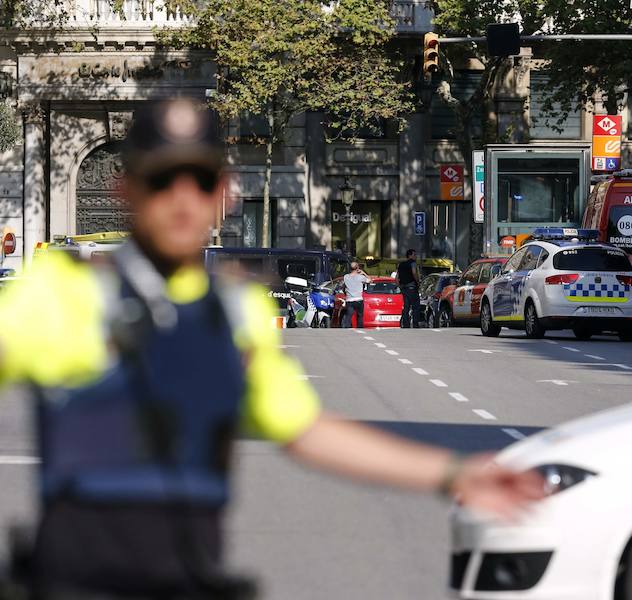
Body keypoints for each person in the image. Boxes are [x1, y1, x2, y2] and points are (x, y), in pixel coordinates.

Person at [0, 99, 542, 598]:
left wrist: (453, 474)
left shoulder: (237, 312)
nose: (183, 198)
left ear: (224, 191)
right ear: (128, 190)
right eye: (163, 179)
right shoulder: (61, 294)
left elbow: (305, 431)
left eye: (200, 178)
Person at [397, 248, 421, 328]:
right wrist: (418, 282)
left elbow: (396, 278)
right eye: (414, 255)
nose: (416, 256)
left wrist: (400, 286)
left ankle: (405, 324)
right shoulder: (413, 263)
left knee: (406, 307)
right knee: (416, 306)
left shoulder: (401, 264)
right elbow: (414, 273)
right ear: (410, 255)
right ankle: (415, 323)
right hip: (412, 287)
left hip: (404, 288)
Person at [342, 261, 370, 328]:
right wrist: (363, 273)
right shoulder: (360, 277)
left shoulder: (346, 277)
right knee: (360, 316)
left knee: (348, 317)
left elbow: (343, 286)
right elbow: (370, 280)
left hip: (349, 300)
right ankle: (360, 329)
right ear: (357, 268)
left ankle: (347, 330)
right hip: (358, 299)